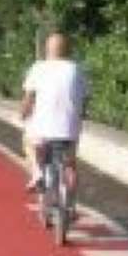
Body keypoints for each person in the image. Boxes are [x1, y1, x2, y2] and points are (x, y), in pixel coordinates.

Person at [21, 32, 88, 197]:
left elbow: (28, 100)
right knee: (70, 162)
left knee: (28, 141)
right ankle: (70, 200)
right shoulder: (77, 69)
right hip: (69, 130)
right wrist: (80, 115)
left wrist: (24, 113)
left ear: (47, 50)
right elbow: (84, 100)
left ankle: (37, 173)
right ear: (67, 50)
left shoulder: (38, 67)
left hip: (43, 129)